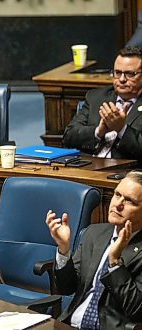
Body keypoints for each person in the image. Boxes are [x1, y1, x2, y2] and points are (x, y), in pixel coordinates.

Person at [46, 170, 142, 329]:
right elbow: (66, 288)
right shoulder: (94, 233)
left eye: (129, 201)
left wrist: (115, 262)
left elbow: (136, 310)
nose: (118, 204)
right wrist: (64, 250)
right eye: (117, 195)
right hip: (71, 324)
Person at [63, 46, 142, 162]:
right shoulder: (96, 97)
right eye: (117, 72)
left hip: (126, 172)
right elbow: (69, 136)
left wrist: (122, 129)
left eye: (130, 74)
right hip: (87, 166)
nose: (122, 79)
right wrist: (98, 132)